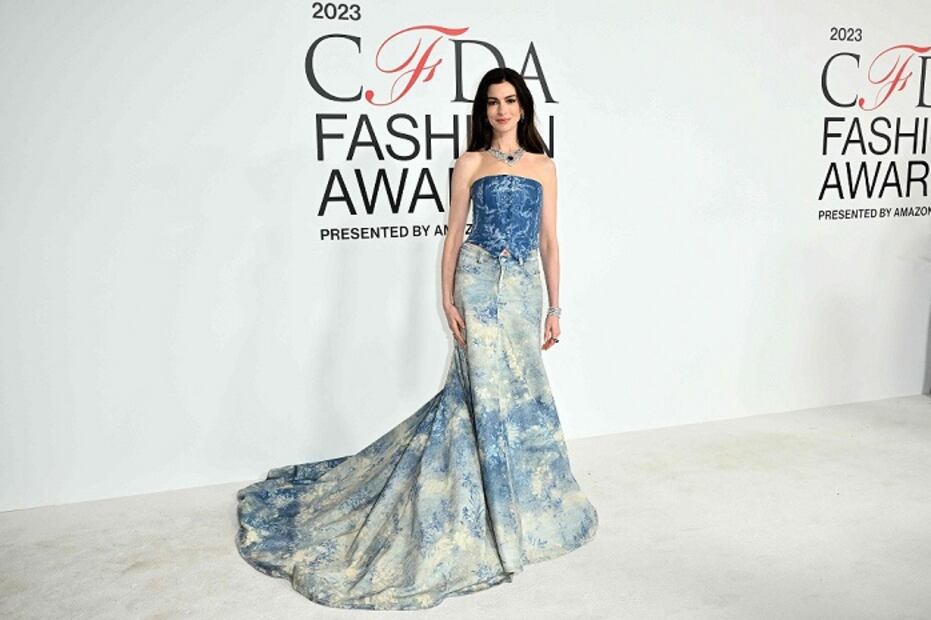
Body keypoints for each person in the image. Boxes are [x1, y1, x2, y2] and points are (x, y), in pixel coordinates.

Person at [235, 67, 598, 611]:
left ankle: (526, 504)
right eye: (492, 102)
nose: (501, 110)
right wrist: (447, 299)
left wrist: (555, 307)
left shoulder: (544, 166)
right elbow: (453, 234)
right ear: (484, 110)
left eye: (509, 100)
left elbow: (549, 240)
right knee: (481, 394)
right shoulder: (469, 162)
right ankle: (488, 515)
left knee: (523, 395)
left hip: (524, 289)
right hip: (477, 281)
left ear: (523, 106)